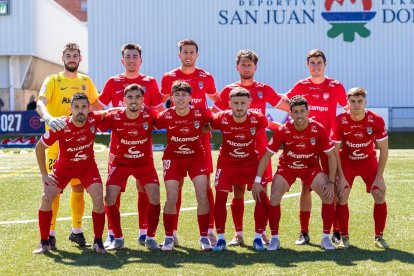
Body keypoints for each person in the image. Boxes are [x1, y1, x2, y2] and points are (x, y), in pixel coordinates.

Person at [212, 49, 289, 246]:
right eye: (243, 64)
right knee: (237, 192)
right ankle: (238, 233)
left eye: (250, 64)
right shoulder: (229, 91)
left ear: (255, 67)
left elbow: (289, 108)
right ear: (237, 66)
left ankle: (260, 233)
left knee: (260, 192)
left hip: (259, 151)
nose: (246, 67)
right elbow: (213, 116)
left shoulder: (264, 89)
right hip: (235, 152)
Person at [97, 43, 164, 247]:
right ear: (122, 60)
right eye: (128, 56)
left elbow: (161, 114)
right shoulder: (112, 82)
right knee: (112, 194)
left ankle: (145, 233)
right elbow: (97, 110)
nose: (131, 59)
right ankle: (112, 235)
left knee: (145, 190)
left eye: (135, 56)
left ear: (140, 60)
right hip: (118, 151)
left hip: (143, 151)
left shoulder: (150, 82)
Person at [36, 42, 100, 249]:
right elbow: (40, 102)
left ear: (80, 59)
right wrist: (48, 117)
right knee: (53, 191)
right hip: (57, 142)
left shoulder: (85, 81)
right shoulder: (53, 80)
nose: (72, 59)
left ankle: (77, 231)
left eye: (75, 56)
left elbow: (97, 105)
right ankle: (51, 234)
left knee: (78, 187)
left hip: (79, 143)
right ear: (63, 58)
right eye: (68, 55)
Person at [252, 95, 337, 251]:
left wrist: (331, 183)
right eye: (295, 112)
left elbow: (332, 156)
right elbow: (266, 156)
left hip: (311, 168)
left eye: (302, 111)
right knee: (275, 196)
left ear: (308, 111)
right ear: (290, 113)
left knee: (327, 194)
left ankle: (326, 237)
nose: (299, 115)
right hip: (288, 168)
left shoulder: (318, 128)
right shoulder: (283, 130)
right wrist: (257, 180)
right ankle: (275, 238)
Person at [285, 49, 348, 245]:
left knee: (334, 185)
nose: (316, 66)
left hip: (328, 145)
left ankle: (336, 230)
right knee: (306, 187)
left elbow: (347, 110)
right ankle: (304, 232)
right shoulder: (301, 86)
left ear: (325, 64)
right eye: (312, 63)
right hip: (306, 146)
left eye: (319, 62)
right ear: (307, 65)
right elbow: (286, 103)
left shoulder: (336, 86)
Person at [160, 39, 219, 246]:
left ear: (197, 55)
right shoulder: (168, 78)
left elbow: (217, 101)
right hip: (176, 137)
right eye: (185, 52)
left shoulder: (206, 77)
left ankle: (208, 231)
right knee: (174, 190)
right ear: (179, 54)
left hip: (200, 138)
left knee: (204, 187)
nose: (188, 55)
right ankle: (171, 233)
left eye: (191, 52)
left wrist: (217, 117)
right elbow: (161, 106)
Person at [33, 93, 107, 254]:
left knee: (98, 196)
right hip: (64, 168)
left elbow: (113, 111)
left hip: (87, 166)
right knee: (46, 197)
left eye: (84, 107)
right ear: (70, 109)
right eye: (77, 107)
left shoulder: (94, 119)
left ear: (89, 109)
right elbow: (39, 148)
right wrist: (44, 175)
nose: (80, 111)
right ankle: (44, 241)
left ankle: (98, 241)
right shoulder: (61, 125)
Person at [207, 87, 268, 251]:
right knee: (220, 197)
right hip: (227, 163)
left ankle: (257, 238)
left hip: (250, 162)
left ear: (250, 103)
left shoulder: (259, 119)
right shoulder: (221, 118)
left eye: (242, 103)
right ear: (229, 104)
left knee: (261, 196)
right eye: (235, 103)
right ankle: (222, 238)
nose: (239, 107)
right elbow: (206, 127)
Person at [155, 81, 213, 251]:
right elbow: (152, 124)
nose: (180, 98)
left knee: (202, 195)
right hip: (173, 158)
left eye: (184, 95)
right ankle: (168, 237)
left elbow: (212, 123)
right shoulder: (165, 116)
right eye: (177, 95)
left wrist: (201, 131)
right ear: (171, 98)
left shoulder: (200, 113)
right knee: (172, 197)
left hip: (196, 157)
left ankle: (204, 237)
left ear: (190, 97)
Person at [331, 87, 389, 249]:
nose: (356, 105)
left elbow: (384, 149)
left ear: (365, 102)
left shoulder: (376, 120)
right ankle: (344, 237)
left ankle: (379, 237)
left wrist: (379, 176)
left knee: (379, 193)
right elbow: (335, 150)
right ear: (347, 103)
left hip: (368, 162)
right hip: (347, 161)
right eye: (352, 101)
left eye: (360, 101)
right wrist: (341, 177)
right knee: (342, 195)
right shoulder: (340, 120)